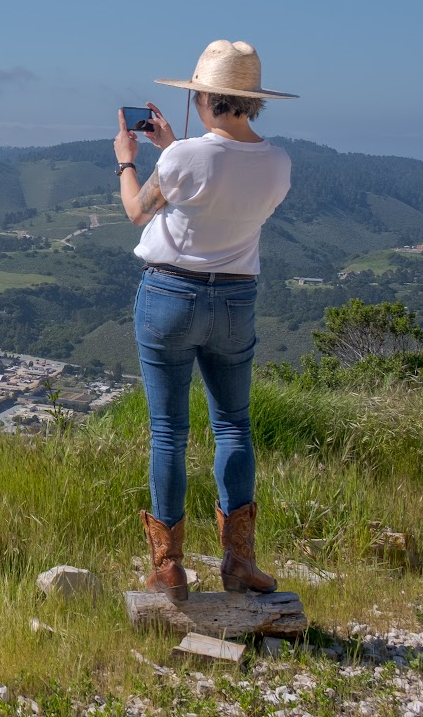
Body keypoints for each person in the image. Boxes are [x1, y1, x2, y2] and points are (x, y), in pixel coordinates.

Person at [113, 39, 296, 603]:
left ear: (204, 97)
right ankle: (240, 561)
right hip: (237, 300)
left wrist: (128, 159)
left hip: (170, 296)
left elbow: (138, 210)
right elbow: (219, 177)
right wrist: (176, 147)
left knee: (169, 430)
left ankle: (168, 568)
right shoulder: (278, 163)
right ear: (250, 100)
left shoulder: (182, 158)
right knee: (233, 426)